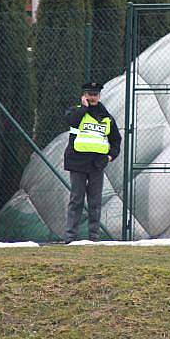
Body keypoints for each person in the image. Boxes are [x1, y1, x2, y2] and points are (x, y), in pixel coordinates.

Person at [63, 81, 122, 243]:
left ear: (99, 96)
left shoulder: (107, 117)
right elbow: (72, 121)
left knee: (95, 202)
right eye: (90, 94)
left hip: (97, 164)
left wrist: (110, 156)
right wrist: (84, 108)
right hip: (77, 162)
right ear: (84, 95)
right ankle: (70, 237)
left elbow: (116, 140)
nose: (93, 97)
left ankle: (93, 238)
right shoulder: (76, 111)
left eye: (95, 94)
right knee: (76, 200)